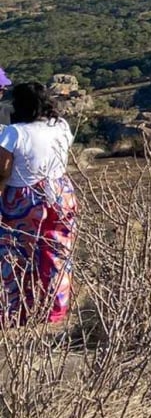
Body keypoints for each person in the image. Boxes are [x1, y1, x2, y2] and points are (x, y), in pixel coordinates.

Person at [0, 82, 79, 325]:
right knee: (57, 251)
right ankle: (55, 310)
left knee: (15, 254)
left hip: (22, 196)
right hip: (60, 192)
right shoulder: (61, 126)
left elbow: (3, 171)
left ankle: (15, 312)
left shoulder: (15, 133)